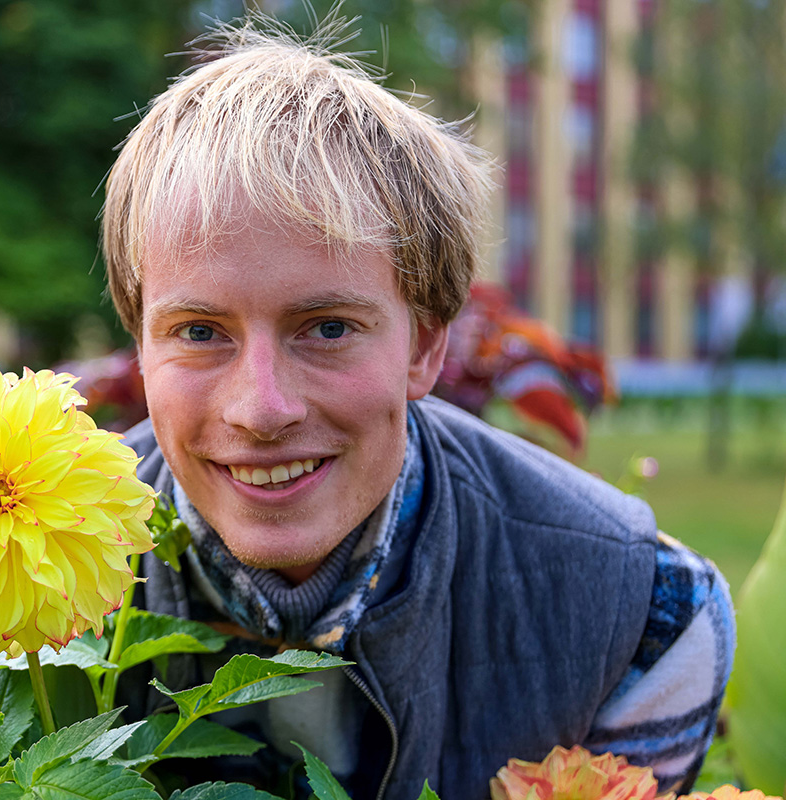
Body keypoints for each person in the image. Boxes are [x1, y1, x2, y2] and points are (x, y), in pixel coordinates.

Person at [100, 15, 734, 800]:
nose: (260, 409)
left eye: (327, 328)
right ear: (140, 346)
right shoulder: (14, 590)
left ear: (426, 348)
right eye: (199, 332)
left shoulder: (644, 619)